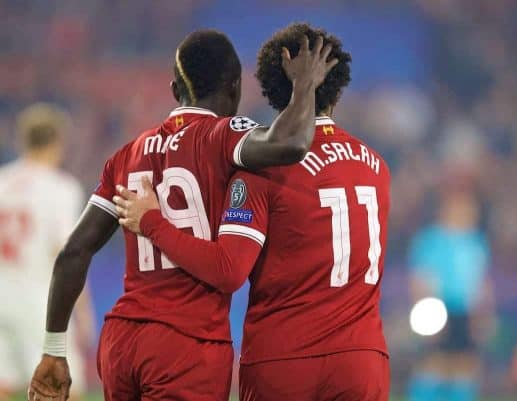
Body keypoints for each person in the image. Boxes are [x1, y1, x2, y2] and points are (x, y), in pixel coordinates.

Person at [28, 29, 337, 401]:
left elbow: (73, 253)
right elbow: (291, 142)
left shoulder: (128, 154)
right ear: (235, 88)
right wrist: (306, 85)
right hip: (186, 343)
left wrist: (54, 350)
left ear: (176, 90)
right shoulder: (224, 136)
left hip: (122, 342)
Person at [113, 23, 390, 401]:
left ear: (270, 88)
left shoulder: (260, 170)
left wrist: (152, 223)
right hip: (363, 359)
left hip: (282, 360)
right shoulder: (375, 167)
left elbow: (228, 267)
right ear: (338, 90)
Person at [0, 104, 94, 401]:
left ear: (23, 139)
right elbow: (67, 255)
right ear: (58, 142)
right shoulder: (61, 188)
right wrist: (83, 311)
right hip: (39, 298)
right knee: (63, 388)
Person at [407, 187, 493, 401]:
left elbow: (481, 281)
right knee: (434, 363)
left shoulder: (476, 243)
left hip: (466, 310)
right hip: (439, 308)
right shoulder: (431, 240)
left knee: (465, 365)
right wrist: (426, 314)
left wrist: (482, 314)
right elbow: (420, 279)